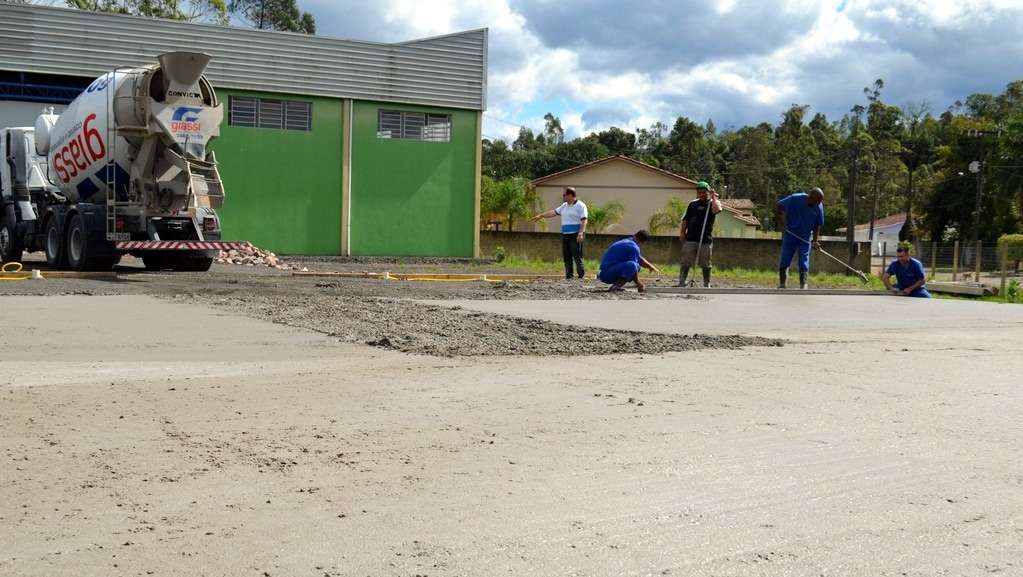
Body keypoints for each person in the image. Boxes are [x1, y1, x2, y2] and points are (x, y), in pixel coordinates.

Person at [532, 187, 588, 279]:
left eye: (564, 195)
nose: (563, 196)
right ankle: (569, 276)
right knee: (567, 256)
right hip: (565, 234)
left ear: (570, 195)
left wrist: (581, 233)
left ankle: (580, 276)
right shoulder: (564, 205)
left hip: (576, 234)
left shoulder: (581, 205)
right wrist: (541, 215)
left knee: (576, 255)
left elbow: (584, 220)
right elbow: (554, 212)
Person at [776, 187, 825, 289]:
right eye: (816, 201)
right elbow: (779, 205)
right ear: (810, 197)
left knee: (803, 260)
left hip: (805, 237)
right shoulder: (795, 199)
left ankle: (803, 285)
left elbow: (817, 224)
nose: (817, 204)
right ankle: (782, 284)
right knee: (785, 258)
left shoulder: (819, 206)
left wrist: (815, 240)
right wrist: (782, 224)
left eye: (819, 202)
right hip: (791, 234)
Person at [678, 181, 722, 287]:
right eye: (699, 192)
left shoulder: (712, 203)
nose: (702, 194)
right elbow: (686, 220)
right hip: (690, 238)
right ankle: (682, 282)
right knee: (685, 261)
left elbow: (717, 210)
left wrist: (714, 197)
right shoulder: (692, 204)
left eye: (704, 192)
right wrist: (682, 233)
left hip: (705, 240)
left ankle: (707, 283)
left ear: (708, 192)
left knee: (706, 263)